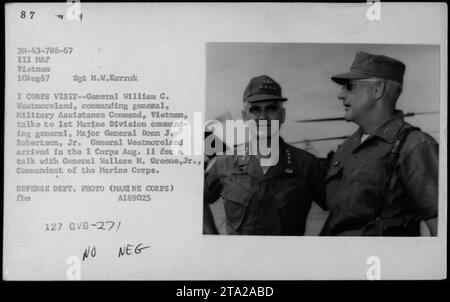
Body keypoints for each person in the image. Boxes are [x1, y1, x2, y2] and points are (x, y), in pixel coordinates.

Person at [320, 51, 439, 236]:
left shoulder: (414, 146)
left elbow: (439, 227)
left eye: (349, 86)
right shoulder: (346, 148)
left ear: (377, 90)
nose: (340, 95)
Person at [203, 75, 327, 235]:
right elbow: (195, 202)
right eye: (255, 109)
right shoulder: (223, 163)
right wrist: (211, 238)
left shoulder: (307, 164)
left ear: (282, 116)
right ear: (245, 117)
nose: (263, 117)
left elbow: (340, 209)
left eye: (271, 108)